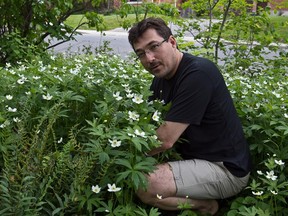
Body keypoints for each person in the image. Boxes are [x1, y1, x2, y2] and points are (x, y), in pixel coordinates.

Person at [128, 17, 252, 215]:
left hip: (225, 170)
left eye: (154, 46)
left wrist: (125, 158)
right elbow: (148, 127)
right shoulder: (161, 79)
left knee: (145, 182)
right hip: (192, 160)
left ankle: (206, 206)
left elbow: (165, 139)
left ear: (172, 42)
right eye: (141, 53)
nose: (149, 58)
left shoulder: (198, 73)